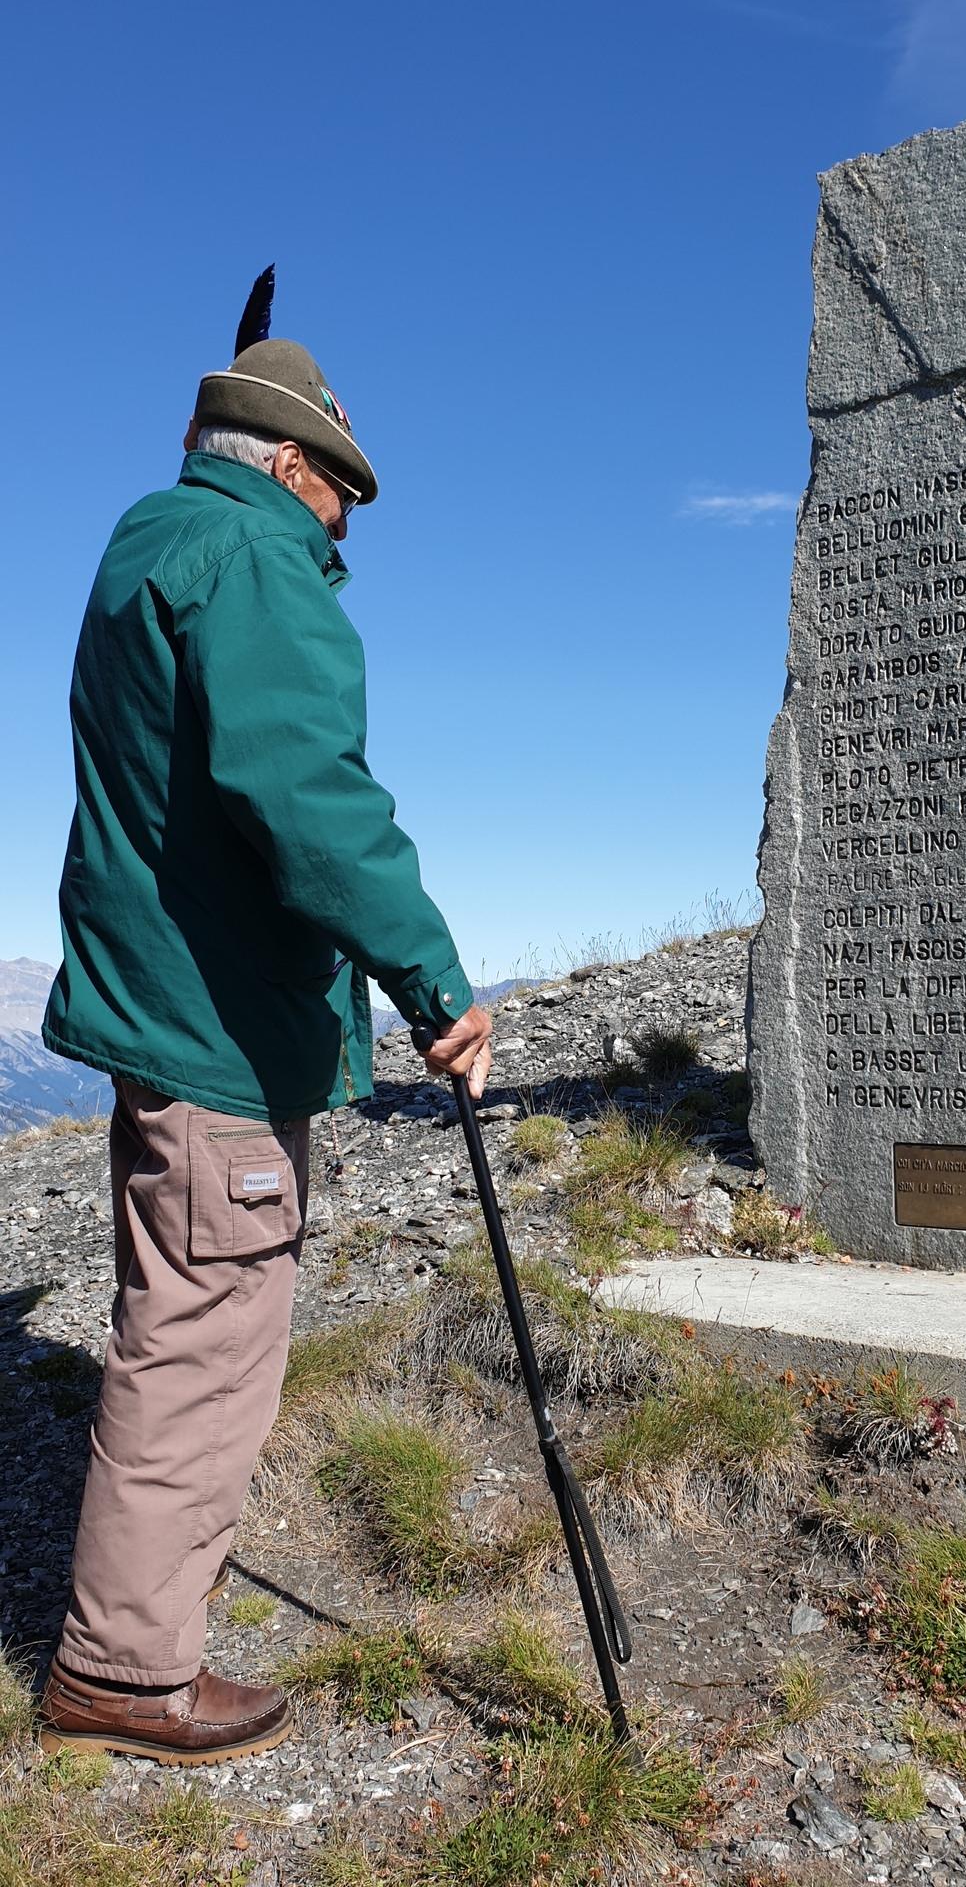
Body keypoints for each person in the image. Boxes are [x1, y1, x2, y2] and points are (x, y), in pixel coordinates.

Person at [37, 276, 492, 1763]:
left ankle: (131, 1638)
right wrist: (432, 979)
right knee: (207, 1343)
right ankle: (127, 1671)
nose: (343, 534)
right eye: (342, 499)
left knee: (174, 1313)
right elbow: (312, 801)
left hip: (159, 1010)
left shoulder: (145, 544)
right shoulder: (249, 558)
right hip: (220, 1035)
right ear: (296, 466)